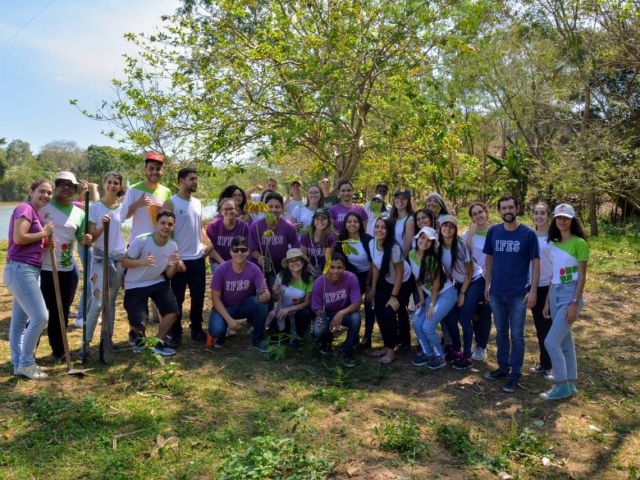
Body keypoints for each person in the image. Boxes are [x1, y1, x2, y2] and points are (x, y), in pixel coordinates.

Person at [483, 196, 540, 393]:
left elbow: (536, 263)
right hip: (497, 292)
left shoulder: (528, 234)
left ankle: (515, 373)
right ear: (499, 211)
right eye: (504, 208)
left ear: (517, 208)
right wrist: (487, 284)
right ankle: (502, 367)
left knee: (517, 335)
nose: (508, 210)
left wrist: (532, 290)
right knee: (500, 332)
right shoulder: (493, 232)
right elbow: (489, 259)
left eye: (510, 207)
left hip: (518, 294)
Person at [5, 179, 54, 379]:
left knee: (19, 322)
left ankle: (18, 364)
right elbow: (19, 238)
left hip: (27, 269)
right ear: (31, 191)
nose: (46, 195)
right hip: (21, 270)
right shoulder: (25, 208)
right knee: (41, 317)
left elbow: (28, 243)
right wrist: (44, 233)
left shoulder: (35, 213)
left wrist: (45, 244)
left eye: (49, 193)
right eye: (42, 191)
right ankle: (26, 363)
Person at [40, 171, 92, 361]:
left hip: (67, 270)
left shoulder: (79, 213)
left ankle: (59, 350)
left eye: (70, 185)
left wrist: (87, 240)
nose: (66, 188)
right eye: (61, 184)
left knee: (60, 311)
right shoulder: (43, 206)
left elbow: (81, 240)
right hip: (43, 268)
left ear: (75, 189)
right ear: (55, 186)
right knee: (41, 313)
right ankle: (27, 353)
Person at [539, 204, 589, 400]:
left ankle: (561, 385)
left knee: (551, 342)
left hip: (571, 295)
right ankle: (571, 383)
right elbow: (554, 275)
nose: (562, 221)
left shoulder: (580, 243)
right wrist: (546, 303)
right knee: (565, 342)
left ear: (572, 220)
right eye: (559, 217)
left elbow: (582, 277)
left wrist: (575, 303)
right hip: (555, 293)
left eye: (566, 218)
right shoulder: (553, 243)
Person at [122, 210, 182, 356]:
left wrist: (174, 263)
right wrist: (143, 262)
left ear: (173, 227)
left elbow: (169, 274)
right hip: (135, 284)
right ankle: (139, 339)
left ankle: (157, 342)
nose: (166, 227)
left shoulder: (173, 245)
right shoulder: (141, 240)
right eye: (163, 223)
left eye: (170, 224)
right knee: (139, 322)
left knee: (173, 312)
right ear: (156, 224)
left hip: (156, 281)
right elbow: (124, 262)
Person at [164, 167, 209, 345]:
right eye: (192, 179)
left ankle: (196, 329)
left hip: (197, 258)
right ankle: (175, 334)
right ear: (181, 181)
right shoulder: (170, 203)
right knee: (177, 298)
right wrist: (176, 257)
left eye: (196, 179)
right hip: (179, 260)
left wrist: (210, 245)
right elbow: (164, 233)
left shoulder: (198, 203)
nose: (195, 182)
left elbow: (200, 228)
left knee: (198, 296)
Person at [84, 172, 127, 352]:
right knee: (98, 303)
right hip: (101, 258)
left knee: (110, 302)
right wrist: (102, 226)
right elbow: (91, 238)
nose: (112, 185)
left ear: (119, 186)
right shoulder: (95, 208)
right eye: (109, 182)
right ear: (104, 184)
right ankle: (85, 343)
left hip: (119, 259)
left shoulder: (121, 208)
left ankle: (106, 340)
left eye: (116, 183)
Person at [439, 215, 485, 370]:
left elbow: (470, 271)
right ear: (440, 228)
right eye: (445, 225)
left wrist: (462, 293)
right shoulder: (438, 246)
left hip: (475, 280)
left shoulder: (460, 245)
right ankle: (456, 350)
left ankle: (467, 356)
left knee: (464, 317)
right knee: (450, 315)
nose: (447, 229)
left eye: (451, 226)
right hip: (459, 283)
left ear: (455, 229)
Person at [209, 236, 271, 351]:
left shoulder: (254, 269)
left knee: (261, 303)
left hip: (244, 305)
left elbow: (263, 290)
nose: (239, 253)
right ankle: (220, 336)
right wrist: (229, 319)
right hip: (225, 307)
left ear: (248, 252)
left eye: (243, 250)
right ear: (231, 252)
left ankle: (257, 339)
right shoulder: (221, 270)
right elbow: (215, 299)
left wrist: (267, 294)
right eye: (236, 250)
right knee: (216, 330)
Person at [367, 217, 414, 364]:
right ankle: (387, 346)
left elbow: (399, 273)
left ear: (389, 231)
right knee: (379, 311)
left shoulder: (394, 248)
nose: (379, 230)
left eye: (383, 227)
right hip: (387, 280)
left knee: (389, 311)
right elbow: (375, 266)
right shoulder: (371, 243)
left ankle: (392, 351)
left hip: (404, 282)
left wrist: (394, 296)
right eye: (377, 227)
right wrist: (373, 288)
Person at [409, 227, 457, 369]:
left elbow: (436, 284)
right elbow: (418, 279)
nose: (424, 242)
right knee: (417, 324)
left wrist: (431, 306)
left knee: (428, 326)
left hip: (446, 294)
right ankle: (427, 353)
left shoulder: (431, 259)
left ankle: (440, 356)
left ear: (432, 244)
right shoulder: (412, 254)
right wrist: (422, 299)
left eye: (429, 240)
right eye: (422, 238)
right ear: (418, 238)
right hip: (431, 295)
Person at [312, 252, 362, 367]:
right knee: (318, 329)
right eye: (332, 267)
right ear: (327, 267)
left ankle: (347, 351)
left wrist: (341, 313)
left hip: (344, 313)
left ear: (344, 267)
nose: (335, 271)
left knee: (356, 317)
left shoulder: (351, 277)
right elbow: (317, 307)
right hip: (326, 313)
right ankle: (326, 340)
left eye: (339, 267)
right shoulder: (319, 282)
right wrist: (322, 317)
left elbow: (357, 304)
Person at [339, 212, 375, 349]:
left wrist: (368, 283)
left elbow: (373, 262)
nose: (352, 224)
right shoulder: (342, 240)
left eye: (355, 221)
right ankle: (353, 337)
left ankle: (367, 338)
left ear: (360, 224)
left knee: (369, 305)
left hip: (371, 273)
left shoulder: (367, 239)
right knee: (352, 305)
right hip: (355, 275)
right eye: (349, 222)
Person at [462, 202, 493, 362]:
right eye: (474, 214)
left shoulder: (494, 232)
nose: (478, 216)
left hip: (490, 278)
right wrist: (469, 237)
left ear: (486, 212)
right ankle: (475, 343)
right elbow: (463, 256)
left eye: (481, 212)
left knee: (485, 313)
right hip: (473, 278)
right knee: (472, 312)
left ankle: (482, 346)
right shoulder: (467, 235)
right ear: (471, 218)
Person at [249, 192, 300, 281]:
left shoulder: (289, 227)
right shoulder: (255, 227)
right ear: (265, 208)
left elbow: (295, 247)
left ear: (282, 209)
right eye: (270, 206)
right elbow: (251, 249)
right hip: (260, 267)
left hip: (282, 268)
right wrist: (260, 258)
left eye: (277, 207)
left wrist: (288, 260)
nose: (273, 209)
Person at [120, 152, 172, 239]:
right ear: (145, 170)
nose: (155, 171)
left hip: (159, 243)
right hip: (137, 243)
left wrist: (161, 211)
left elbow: (170, 220)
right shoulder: (133, 189)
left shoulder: (167, 192)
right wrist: (137, 204)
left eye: (158, 169)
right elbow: (124, 216)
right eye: (151, 168)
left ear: (162, 171)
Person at [529, 202, 553, 377]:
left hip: (550, 287)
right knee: (540, 328)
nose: (539, 216)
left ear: (548, 215)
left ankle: (553, 366)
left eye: (542, 213)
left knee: (550, 329)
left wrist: (549, 297)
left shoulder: (554, 238)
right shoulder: (530, 236)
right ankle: (545, 364)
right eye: (536, 213)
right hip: (533, 286)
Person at [268, 248, 314, 342]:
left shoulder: (309, 278)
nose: (294, 263)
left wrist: (289, 309)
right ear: (288, 264)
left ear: (302, 261)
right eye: (291, 261)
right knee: (275, 336)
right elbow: (275, 298)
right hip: (281, 310)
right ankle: (288, 330)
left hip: (298, 310)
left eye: (297, 260)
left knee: (306, 313)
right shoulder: (281, 275)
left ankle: (302, 331)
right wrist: (275, 293)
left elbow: (307, 302)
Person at [206, 197, 249, 270]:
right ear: (221, 211)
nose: (229, 211)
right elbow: (211, 249)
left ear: (236, 210)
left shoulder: (243, 226)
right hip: (217, 262)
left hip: (238, 261)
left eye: (231, 208)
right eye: (226, 209)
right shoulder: (213, 225)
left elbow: (246, 248)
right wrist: (223, 263)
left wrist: (236, 263)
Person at [300, 208, 336, 277]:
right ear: (313, 220)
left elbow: (328, 260)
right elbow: (303, 254)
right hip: (308, 271)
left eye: (323, 219)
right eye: (317, 219)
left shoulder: (330, 238)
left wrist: (324, 273)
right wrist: (308, 264)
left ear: (328, 221)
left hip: (324, 272)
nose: (320, 221)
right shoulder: (306, 236)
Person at [390, 189, 415, 257]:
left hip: (401, 259)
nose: (400, 200)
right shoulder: (392, 218)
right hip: (391, 256)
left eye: (404, 198)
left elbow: (406, 249)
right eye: (398, 198)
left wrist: (399, 263)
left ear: (408, 202)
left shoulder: (410, 220)